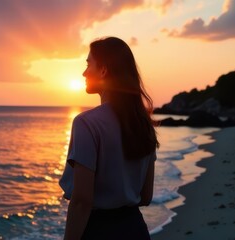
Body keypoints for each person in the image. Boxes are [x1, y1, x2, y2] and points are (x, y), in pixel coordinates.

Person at [59, 37, 159, 240]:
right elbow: (146, 195)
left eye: (88, 64)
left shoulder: (86, 123)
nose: (84, 72)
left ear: (103, 70)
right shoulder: (143, 123)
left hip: (99, 231)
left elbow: (81, 201)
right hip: (135, 229)